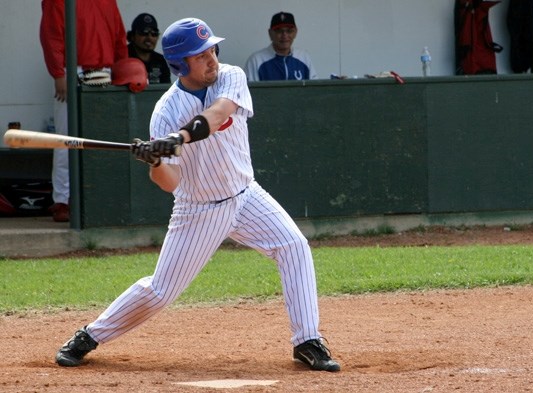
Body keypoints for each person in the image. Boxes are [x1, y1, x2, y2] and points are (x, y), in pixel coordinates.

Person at [54, 17, 341, 373]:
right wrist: (156, 160)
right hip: (200, 208)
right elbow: (170, 182)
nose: (212, 59)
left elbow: (218, 113)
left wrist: (180, 138)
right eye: (200, 55)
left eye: (211, 49)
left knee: (294, 246)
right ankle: (89, 336)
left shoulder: (231, 77)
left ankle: (307, 340)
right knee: (161, 291)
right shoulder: (166, 112)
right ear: (179, 64)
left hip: (246, 194)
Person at [40, 0, 128, 222]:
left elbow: (118, 36)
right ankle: (63, 200)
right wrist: (58, 73)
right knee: (65, 139)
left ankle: (99, 198)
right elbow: (51, 36)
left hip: (105, 72)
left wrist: (122, 71)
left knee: (102, 139)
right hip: (73, 70)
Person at [244, 12, 317, 81]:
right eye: (279, 31)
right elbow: (249, 92)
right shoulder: (256, 60)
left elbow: (314, 90)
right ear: (270, 33)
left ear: (295, 32)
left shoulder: (304, 58)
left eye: (289, 31)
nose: (284, 35)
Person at [127, 13, 171, 84]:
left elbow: (165, 90)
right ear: (132, 36)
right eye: (144, 32)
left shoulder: (161, 61)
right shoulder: (122, 57)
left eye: (154, 33)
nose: (149, 38)